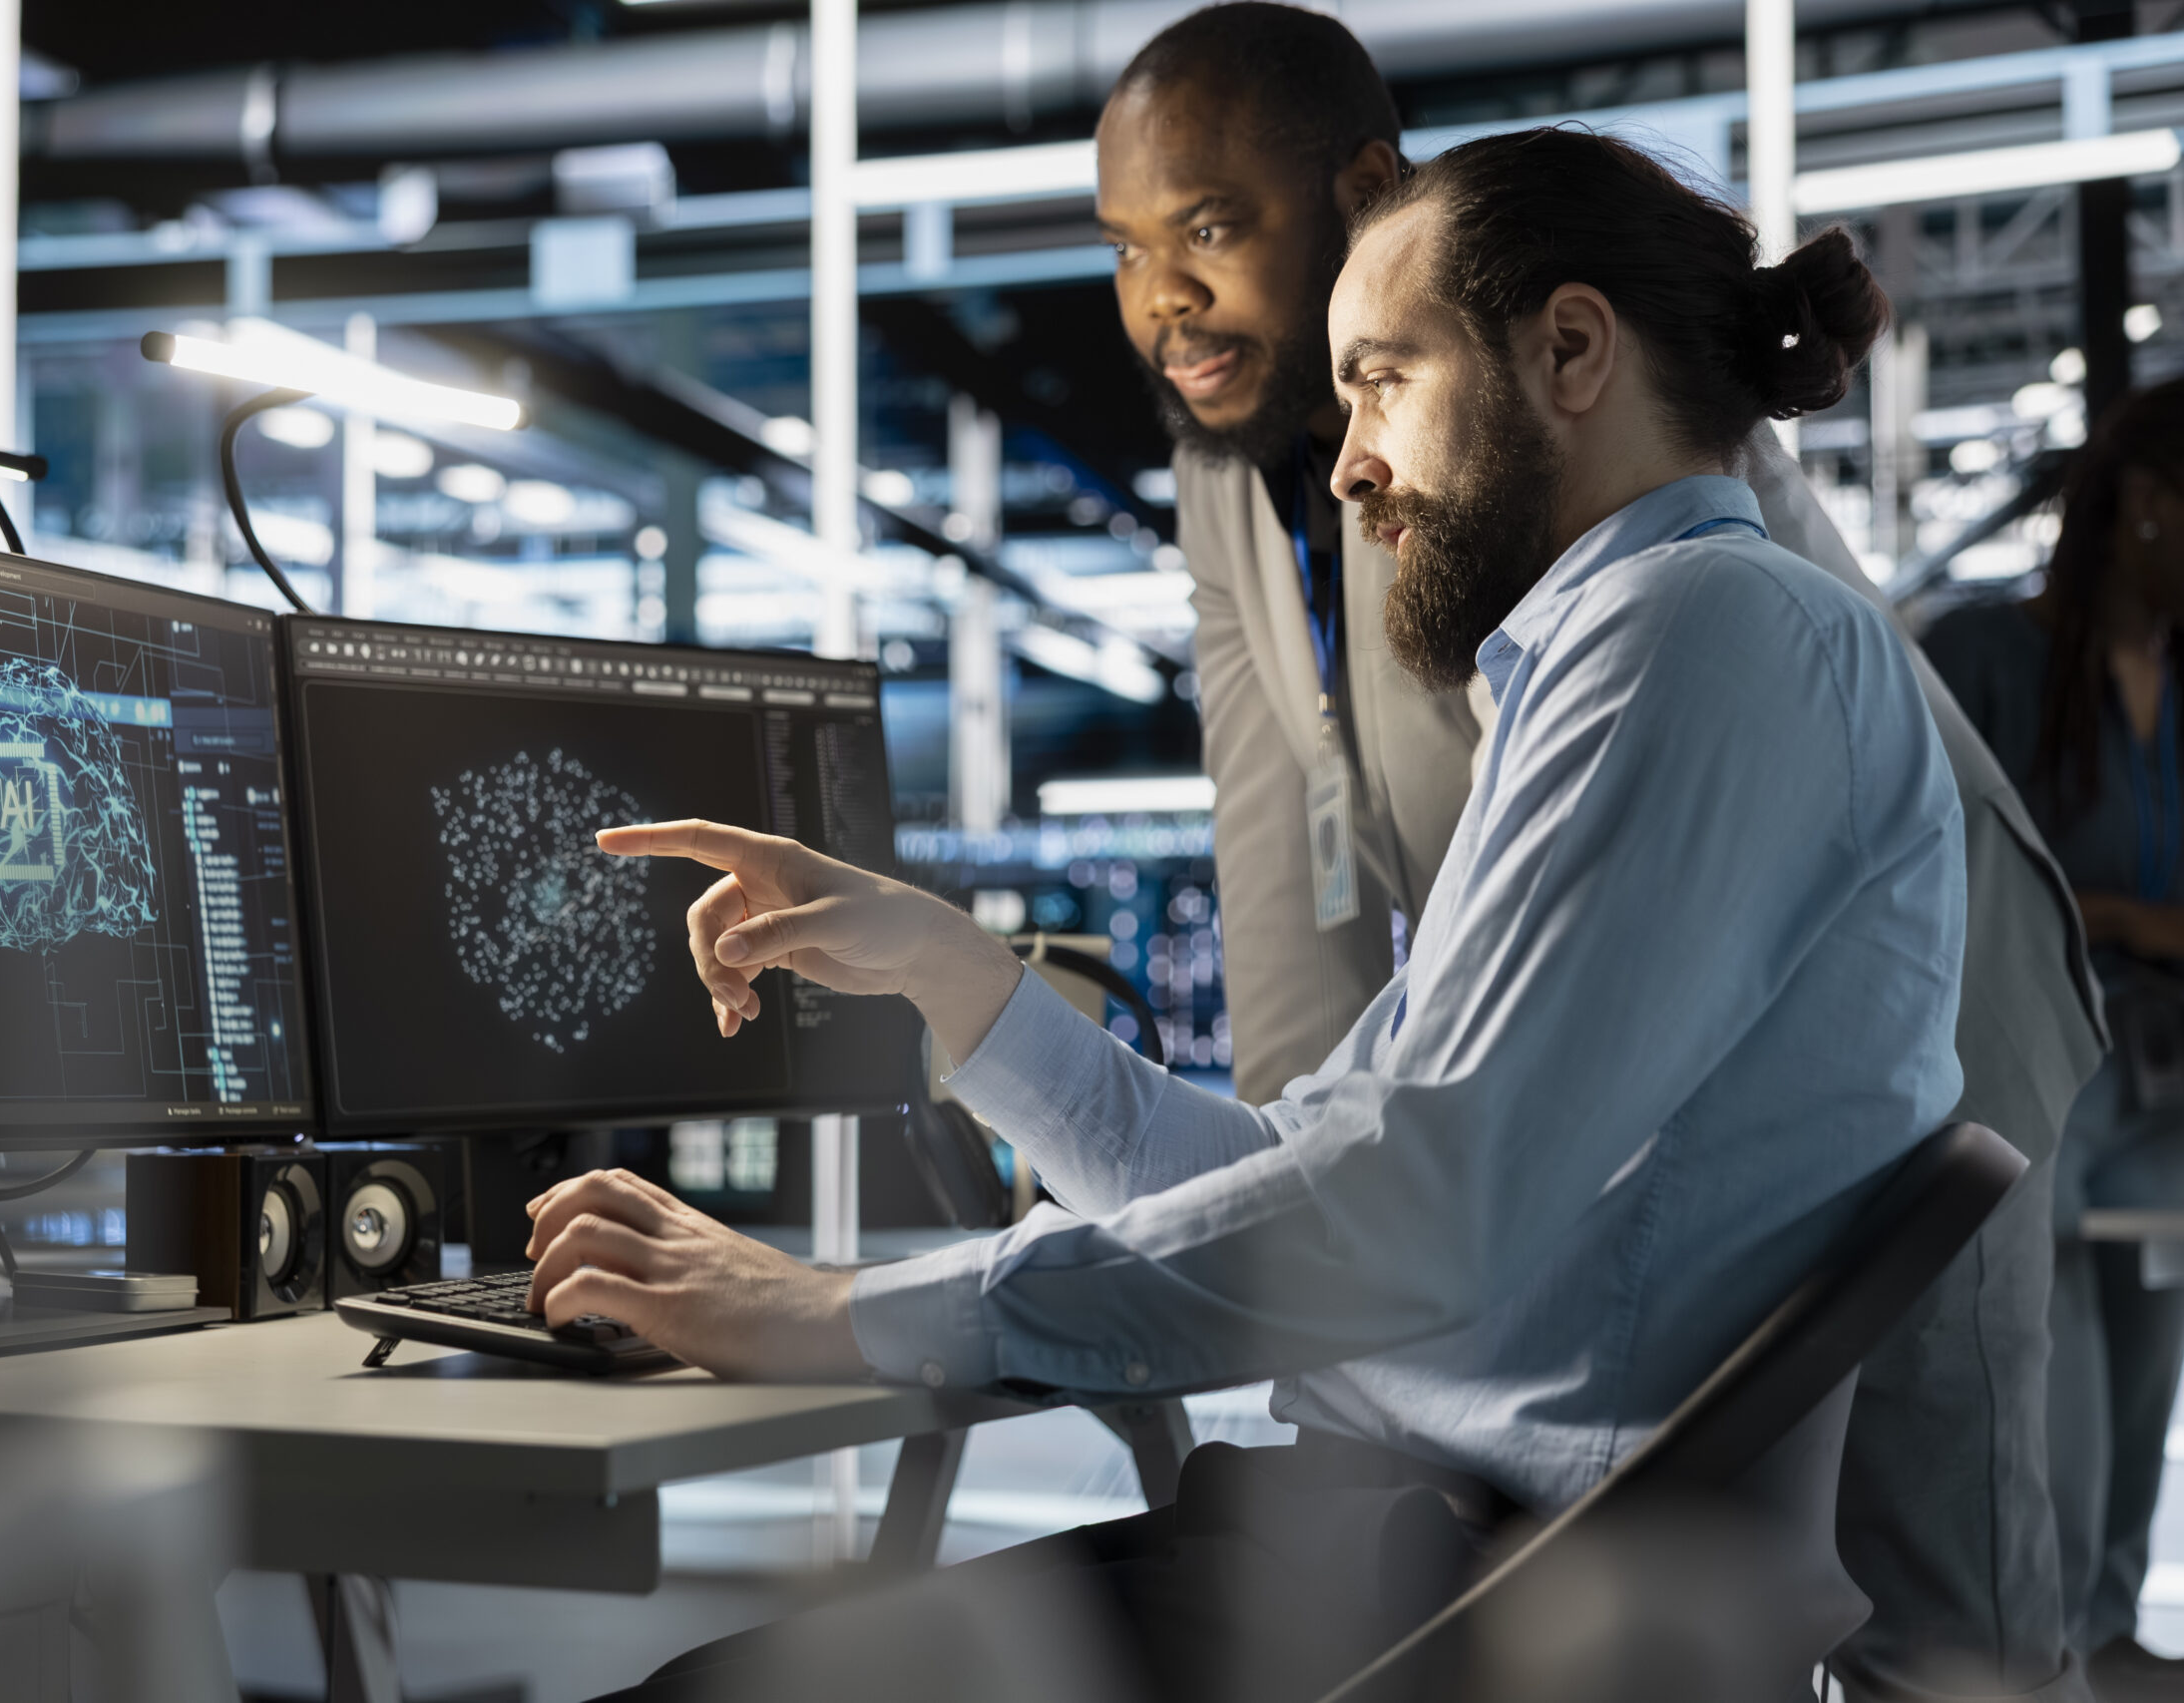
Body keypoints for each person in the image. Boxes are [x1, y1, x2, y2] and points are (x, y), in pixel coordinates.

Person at [536, 129, 1953, 1701]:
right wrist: (954, 975)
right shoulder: (1645, 654)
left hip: (1454, 1595)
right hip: (1414, 1552)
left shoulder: (1696, 635)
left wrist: (847, 1316)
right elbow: (1320, 1174)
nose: (1349, 460)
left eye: (1381, 380)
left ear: (1568, 351)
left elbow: (1413, 1206)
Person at [1095, 7, 2104, 1695]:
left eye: (1209, 228)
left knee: (1952, 1630)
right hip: (1639, 1075)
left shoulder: (1560, 429)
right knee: (1681, 1600)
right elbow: (1290, 874)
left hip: (1915, 1029)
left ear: (1362, 191)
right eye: (1126, 251)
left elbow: (1685, 756)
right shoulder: (1234, 487)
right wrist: (1295, 1221)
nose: (1162, 298)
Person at [1926, 379, 2184, 1701]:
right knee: (2053, 1365)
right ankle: (2058, 1639)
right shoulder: (1986, 657)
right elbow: (1942, 869)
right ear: (2146, 508)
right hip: (2041, 1050)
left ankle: (2112, 1626)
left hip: (2168, 1074)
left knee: (2148, 1361)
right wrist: (2128, 912)